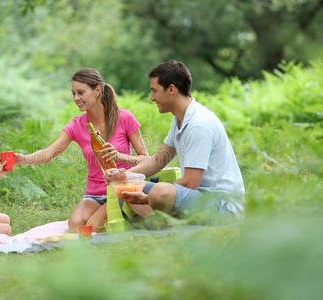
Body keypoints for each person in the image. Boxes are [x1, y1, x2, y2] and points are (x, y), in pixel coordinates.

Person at [105, 60, 245, 218]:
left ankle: (166, 223)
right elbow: (158, 160)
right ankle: (165, 225)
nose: (152, 98)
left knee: (159, 192)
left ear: (171, 89)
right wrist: (123, 176)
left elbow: (190, 182)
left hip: (222, 206)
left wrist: (148, 196)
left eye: (154, 91)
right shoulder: (179, 120)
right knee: (129, 187)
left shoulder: (199, 124)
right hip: (197, 198)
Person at [15, 68, 149, 232]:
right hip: (95, 193)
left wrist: (120, 156)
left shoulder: (125, 118)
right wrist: (22, 159)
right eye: (73, 93)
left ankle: (130, 216)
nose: (76, 98)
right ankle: (122, 219)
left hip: (121, 187)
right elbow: (48, 153)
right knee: (75, 225)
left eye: (80, 93)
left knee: (92, 226)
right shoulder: (76, 125)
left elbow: (146, 159)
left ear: (97, 91)